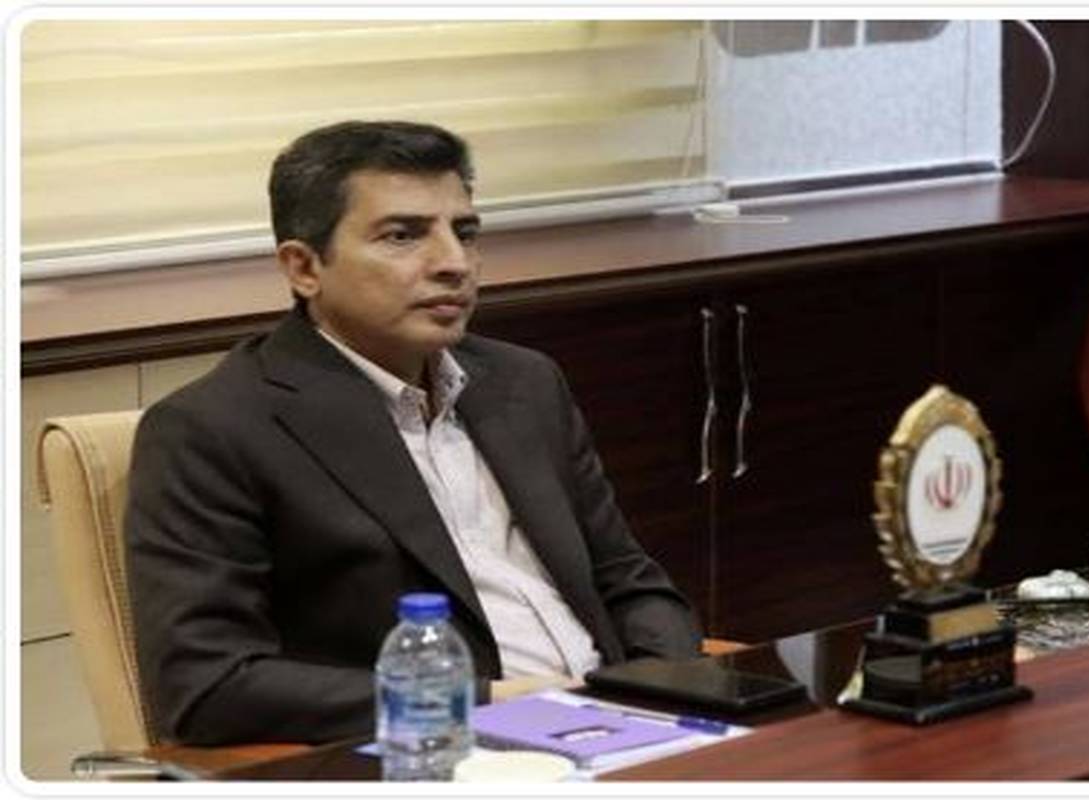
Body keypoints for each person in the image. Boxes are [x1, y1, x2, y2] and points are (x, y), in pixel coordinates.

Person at [124, 120, 701, 746]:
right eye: (402, 236)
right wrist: (474, 703)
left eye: (465, 233)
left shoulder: (524, 382)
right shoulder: (213, 429)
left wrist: (652, 690)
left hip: (623, 727)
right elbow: (206, 686)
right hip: (437, 753)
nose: (453, 264)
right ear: (304, 267)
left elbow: (630, 581)